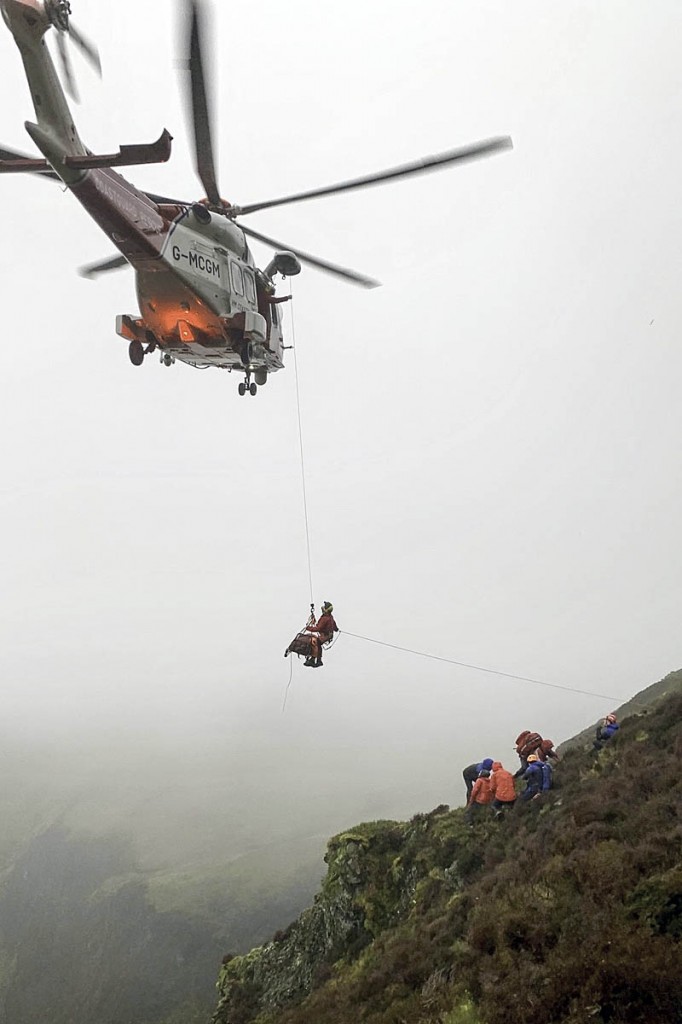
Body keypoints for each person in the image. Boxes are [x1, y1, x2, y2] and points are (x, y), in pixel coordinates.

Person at [304, 601, 338, 668]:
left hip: (325, 635)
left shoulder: (325, 618)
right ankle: (316, 660)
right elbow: (334, 624)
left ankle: (314, 659)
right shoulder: (330, 617)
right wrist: (336, 629)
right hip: (328, 635)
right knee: (317, 643)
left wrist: (308, 628)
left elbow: (318, 628)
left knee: (315, 642)